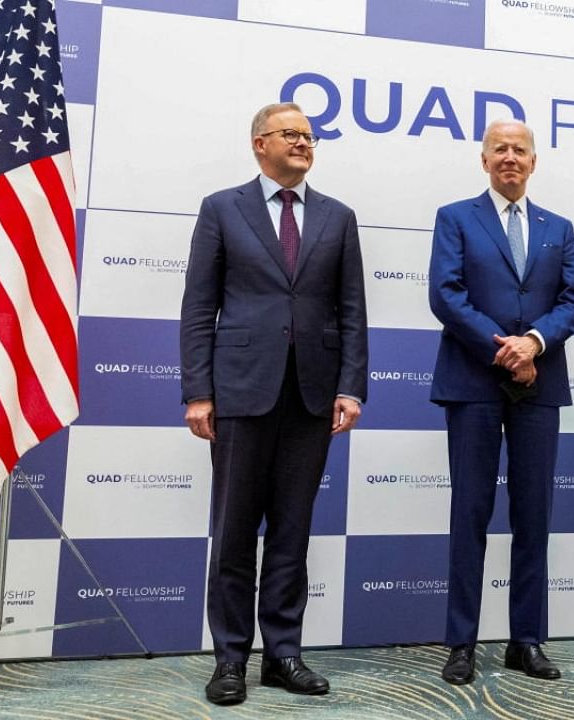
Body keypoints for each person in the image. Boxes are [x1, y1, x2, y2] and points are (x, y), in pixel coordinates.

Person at [180, 102, 367, 705]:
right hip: (239, 390)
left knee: (292, 532)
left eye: (310, 137)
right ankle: (230, 658)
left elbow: (352, 312)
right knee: (234, 531)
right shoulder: (222, 208)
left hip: (311, 395)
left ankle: (283, 653)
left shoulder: (338, 217)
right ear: (259, 143)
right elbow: (197, 307)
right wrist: (198, 392)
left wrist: (350, 385)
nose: (304, 144)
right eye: (291, 134)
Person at [428, 119, 574, 685]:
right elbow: (445, 294)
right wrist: (504, 347)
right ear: (484, 159)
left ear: (534, 161)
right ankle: (461, 644)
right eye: (501, 149)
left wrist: (534, 342)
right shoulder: (455, 218)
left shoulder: (558, 228)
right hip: (473, 381)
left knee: (533, 516)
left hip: (539, 383)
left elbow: (572, 302)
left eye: (520, 150)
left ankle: (527, 641)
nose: (510, 158)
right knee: (469, 514)